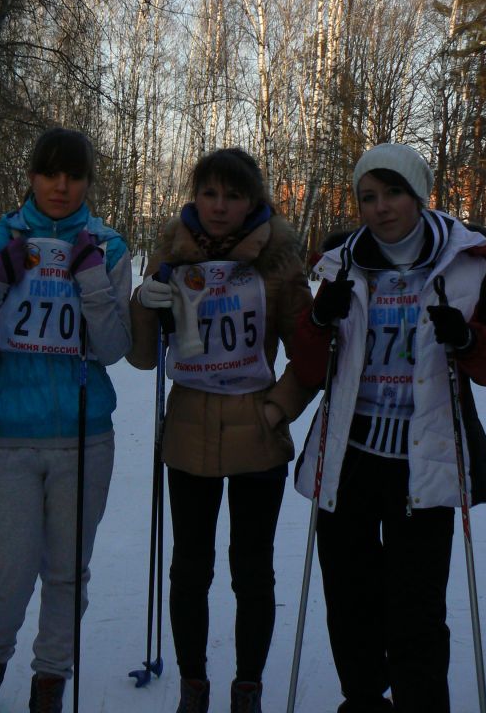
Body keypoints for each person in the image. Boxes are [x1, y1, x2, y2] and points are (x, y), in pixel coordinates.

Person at [292, 143, 486, 713]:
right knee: (349, 598)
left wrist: (469, 342)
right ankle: (363, 700)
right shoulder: (340, 263)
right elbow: (312, 367)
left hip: (428, 458)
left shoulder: (468, 265)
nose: (381, 208)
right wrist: (319, 318)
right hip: (352, 454)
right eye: (368, 196)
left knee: (415, 608)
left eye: (393, 193)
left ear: (419, 196)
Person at [127, 148, 315, 713]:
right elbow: (142, 358)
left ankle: (248, 686)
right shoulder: (171, 251)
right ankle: (194, 685)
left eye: (234, 195)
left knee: (251, 569)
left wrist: (278, 408)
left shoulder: (279, 258)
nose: (219, 206)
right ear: (194, 195)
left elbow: (311, 354)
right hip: (187, 431)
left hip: (257, 434)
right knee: (190, 568)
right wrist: (144, 303)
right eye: (209, 192)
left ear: (253, 201)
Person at [0, 127, 132, 713]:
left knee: (66, 572)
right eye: (50, 173)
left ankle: (49, 681)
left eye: (74, 175)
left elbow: (113, 348)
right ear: (31, 175)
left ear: (87, 181)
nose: (61, 185)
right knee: (7, 570)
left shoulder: (109, 247)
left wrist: (92, 281)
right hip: (10, 434)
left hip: (84, 433)